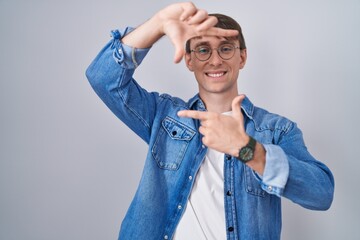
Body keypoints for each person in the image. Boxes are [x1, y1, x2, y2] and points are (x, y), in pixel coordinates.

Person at [86, 2, 334, 240]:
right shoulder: (164, 117)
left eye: (226, 48)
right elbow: (102, 77)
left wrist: (248, 149)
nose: (215, 60)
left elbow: (321, 193)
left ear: (242, 58)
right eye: (203, 50)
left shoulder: (277, 130)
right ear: (189, 60)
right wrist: (158, 23)